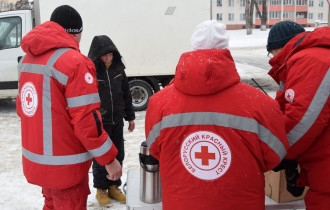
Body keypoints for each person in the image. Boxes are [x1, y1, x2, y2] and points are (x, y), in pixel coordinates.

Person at [145, 20, 290, 210]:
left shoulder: (159, 103)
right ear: (226, 50)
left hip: (182, 203)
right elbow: (275, 155)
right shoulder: (260, 104)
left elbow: (155, 149)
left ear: (193, 48)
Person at [16, 5, 122, 210]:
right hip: (65, 167)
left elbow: (24, 110)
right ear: (76, 32)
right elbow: (87, 121)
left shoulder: (28, 60)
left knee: (51, 204)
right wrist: (109, 159)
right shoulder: (75, 63)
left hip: (37, 161)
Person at [266, 21, 330, 209]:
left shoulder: (311, 61)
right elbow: (284, 104)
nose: (271, 58)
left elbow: (302, 121)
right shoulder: (301, 60)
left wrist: (279, 153)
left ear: (279, 47)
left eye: (271, 53)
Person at [88, 35, 135, 205]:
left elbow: (126, 94)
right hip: (100, 123)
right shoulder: (91, 72)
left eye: (111, 54)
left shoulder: (118, 70)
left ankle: (114, 187)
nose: (108, 58)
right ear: (97, 55)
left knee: (118, 154)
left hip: (117, 121)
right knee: (101, 157)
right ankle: (101, 189)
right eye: (104, 55)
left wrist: (130, 117)